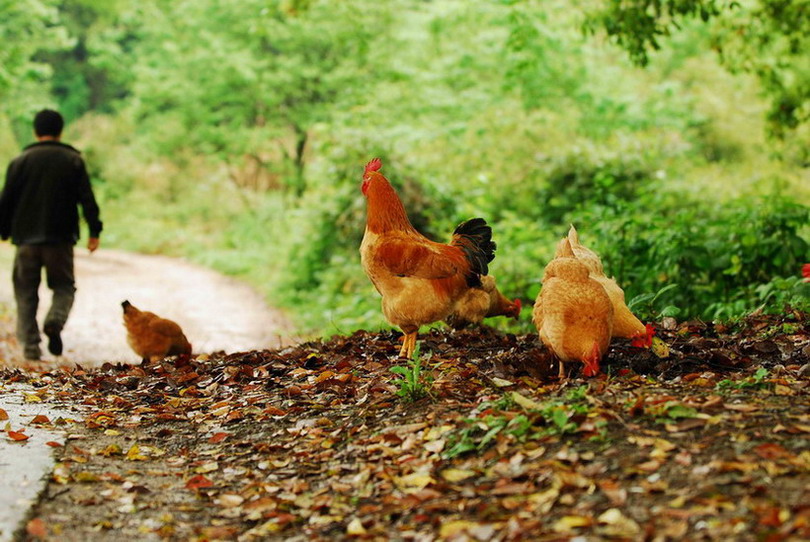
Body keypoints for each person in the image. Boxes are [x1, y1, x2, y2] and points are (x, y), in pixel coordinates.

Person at [0, 109, 103, 360]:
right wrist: (94, 230)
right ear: (60, 131)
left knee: (25, 291)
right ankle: (54, 321)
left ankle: (31, 346)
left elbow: (6, 200)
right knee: (64, 286)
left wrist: (3, 231)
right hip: (60, 239)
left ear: (36, 132)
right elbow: (87, 199)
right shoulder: (73, 160)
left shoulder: (20, 161)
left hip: (26, 240)